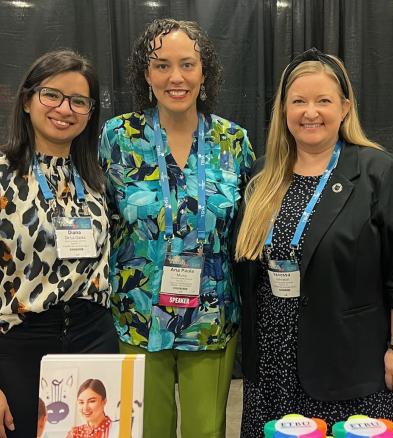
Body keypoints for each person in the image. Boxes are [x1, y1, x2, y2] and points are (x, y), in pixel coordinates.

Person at [233, 48, 393, 437]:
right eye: (299, 101)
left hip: (350, 368)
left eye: (323, 101)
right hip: (271, 369)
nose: (310, 112)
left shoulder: (378, 172)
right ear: (283, 110)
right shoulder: (262, 175)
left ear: (345, 107)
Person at [0, 50, 118, 438]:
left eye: (79, 101)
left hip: (94, 336)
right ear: (27, 100)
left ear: (90, 113)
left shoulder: (95, 178)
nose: (65, 109)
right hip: (21, 343)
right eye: (51, 95)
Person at [99, 18, 254, 438]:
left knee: (206, 431)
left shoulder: (233, 141)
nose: (176, 77)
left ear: (204, 71)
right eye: (162, 65)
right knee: (147, 430)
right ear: (145, 73)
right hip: (138, 312)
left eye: (187, 64)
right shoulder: (117, 138)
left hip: (211, 315)